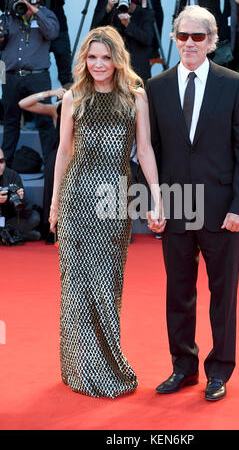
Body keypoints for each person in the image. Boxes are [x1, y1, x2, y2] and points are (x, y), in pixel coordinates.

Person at [146, 5, 239, 401]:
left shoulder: (234, 84)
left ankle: (219, 371)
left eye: (198, 37)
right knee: (178, 292)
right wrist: (152, 204)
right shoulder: (155, 86)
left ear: (211, 42)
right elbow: (150, 151)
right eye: (182, 36)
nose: (189, 43)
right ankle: (183, 366)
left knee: (222, 294)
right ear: (174, 39)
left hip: (222, 208)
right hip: (176, 206)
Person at [48, 25, 163, 398]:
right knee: (76, 287)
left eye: (106, 57)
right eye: (92, 57)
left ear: (117, 59)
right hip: (76, 197)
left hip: (114, 199)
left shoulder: (135, 96)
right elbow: (64, 153)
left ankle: (108, 365)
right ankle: (80, 368)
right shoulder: (73, 97)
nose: (99, 64)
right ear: (85, 59)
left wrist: (157, 198)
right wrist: (54, 203)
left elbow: (144, 150)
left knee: (107, 284)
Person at [0, 0, 59, 167]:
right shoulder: (9, 16)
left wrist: (34, 11)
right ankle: (5, 168)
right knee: (10, 123)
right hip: (10, 76)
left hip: (38, 76)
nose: (29, 0)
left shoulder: (47, 15)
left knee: (45, 123)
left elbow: (52, 33)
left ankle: (50, 166)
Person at [18, 87, 66, 241]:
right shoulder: (56, 110)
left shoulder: (89, 110)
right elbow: (23, 104)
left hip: (82, 157)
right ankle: (55, 231)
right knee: (55, 192)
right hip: (58, 156)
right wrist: (49, 93)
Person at [97, 0, 155, 82]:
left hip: (138, 73)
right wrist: (108, 8)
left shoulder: (145, 13)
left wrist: (128, 24)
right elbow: (96, 32)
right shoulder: (113, 12)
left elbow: (148, 39)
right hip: (116, 73)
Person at [0, 147, 41, 242]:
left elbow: (24, 211)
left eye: (1, 161)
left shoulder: (12, 175)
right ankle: (14, 235)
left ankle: (7, 234)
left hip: (8, 220)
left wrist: (21, 200)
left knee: (34, 217)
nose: (0, 166)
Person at [43, 0, 73, 87]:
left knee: (65, 74)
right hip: (36, 26)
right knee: (37, 70)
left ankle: (67, 102)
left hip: (58, 24)